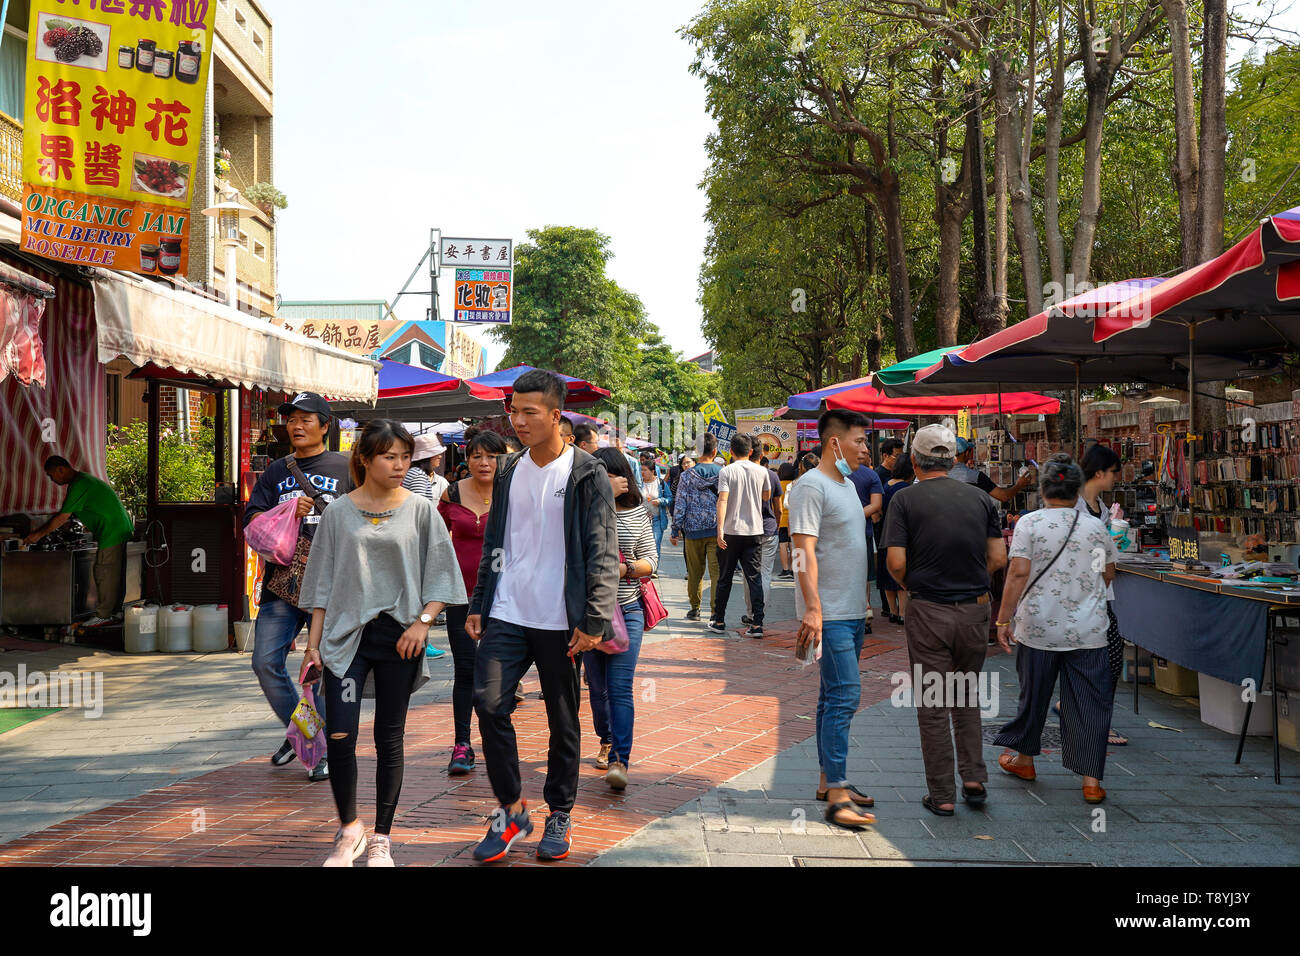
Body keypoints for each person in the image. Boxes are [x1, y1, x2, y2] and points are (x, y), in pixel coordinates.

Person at [467, 369, 619, 863]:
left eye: (529, 411)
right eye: (514, 410)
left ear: (557, 416)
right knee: (488, 702)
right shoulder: (510, 469)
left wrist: (594, 619)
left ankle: (559, 812)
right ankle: (511, 809)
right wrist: (480, 602)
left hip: (561, 618)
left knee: (562, 720)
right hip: (509, 611)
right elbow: (496, 543)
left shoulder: (586, 472)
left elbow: (601, 549)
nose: (518, 419)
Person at [299, 419, 466, 866]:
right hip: (345, 638)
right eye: (390, 456)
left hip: (400, 638)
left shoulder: (421, 510)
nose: (399, 465)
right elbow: (319, 585)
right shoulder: (337, 512)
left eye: (405, 456)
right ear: (365, 459)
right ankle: (349, 829)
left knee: (389, 737)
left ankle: (382, 838)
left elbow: (443, 576)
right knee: (340, 734)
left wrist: (423, 623)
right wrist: (312, 646)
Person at [882, 424, 1006, 816]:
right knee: (966, 694)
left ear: (915, 461)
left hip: (928, 609)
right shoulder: (982, 500)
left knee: (934, 701)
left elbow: (896, 563)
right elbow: (999, 558)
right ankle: (973, 778)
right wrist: (972, 582)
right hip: (975, 608)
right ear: (954, 461)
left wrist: (915, 586)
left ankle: (943, 794)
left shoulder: (904, 500)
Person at [993, 454, 1119, 805]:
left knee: (1033, 696)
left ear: (1042, 488)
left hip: (1038, 628)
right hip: (1089, 631)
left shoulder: (1030, 524)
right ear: (1076, 488)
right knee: (1090, 704)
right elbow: (1108, 573)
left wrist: (1003, 620)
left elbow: (1017, 573)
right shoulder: (1094, 526)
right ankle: (1091, 781)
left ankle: (1025, 760)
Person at [243, 391, 351, 781]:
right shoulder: (275, 471)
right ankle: (307, 734)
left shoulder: (347, 466)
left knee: (324, 668)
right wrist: (286, 508)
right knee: (265, 662)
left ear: (325, 426)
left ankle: (304, 739)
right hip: (283, 583)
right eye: (292, 419)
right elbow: (252, 520)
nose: (297, 425)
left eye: (307, 419)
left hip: (333, 582)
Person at [789, 410, 876, 830]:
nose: (866, 448)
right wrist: (812, 608)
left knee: (831, 697)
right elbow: (801, 550)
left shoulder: (846, 485)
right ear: (834, 443)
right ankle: (838, 793)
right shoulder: (810, 486)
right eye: (860, 440)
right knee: (845, 694)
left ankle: (829, 780)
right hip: (830, 613)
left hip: (852, 611)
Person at [585, 449, 657, 790]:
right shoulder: (583, 511)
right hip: (589, 614)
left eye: (615, 474)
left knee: (619, 688)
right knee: (596, 689)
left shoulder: (638, 514)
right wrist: (602, 498)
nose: (614, 480)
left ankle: (619, 760)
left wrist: (626, 569)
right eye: (603, 475)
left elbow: (651, 562)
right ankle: (606, 739)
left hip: (627, 609)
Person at [438, 427, 509, 776]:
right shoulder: (451, 494)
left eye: (492, 456)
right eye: (477, 456)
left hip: (506, 597)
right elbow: (434, 540)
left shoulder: (514, 492)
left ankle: (496, 741)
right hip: (461, 597)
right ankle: (462, 744)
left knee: (496, 674)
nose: (484, 462)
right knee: (465, 669)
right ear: (467, 460)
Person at [1066, 443, 1128, 747]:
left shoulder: (1102, 509)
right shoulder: (1073, 507)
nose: (1117, 477)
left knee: (1106, 660)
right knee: (1105, 660)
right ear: (1100, 472)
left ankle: (1085, 714)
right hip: (1082, 597)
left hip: (1099, 597)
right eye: (1114, 472)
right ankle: (1095, 722)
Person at [27, 456, 134, 627]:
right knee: (114, 573)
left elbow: (63, 516)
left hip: (111, 530)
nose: (52, 479)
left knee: (104, 571)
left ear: (61, 469)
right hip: (119, 527)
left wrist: (37, 535)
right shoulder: (84, 480)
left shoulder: (79, 484)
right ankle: (115, 612)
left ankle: (104, 615)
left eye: (51, 475)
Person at [708, 433, 770, 638]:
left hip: (731, 531)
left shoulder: (726, 471)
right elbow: (766, 496)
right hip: (754, 531)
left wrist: (719, 531)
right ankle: (757, 624)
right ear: (751, 451)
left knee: (725, 577)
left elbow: (722, 500)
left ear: (731, 451)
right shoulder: (762, 471)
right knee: (754, 578)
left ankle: (718, 620)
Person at [670, 434, 724, 623]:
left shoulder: (686, 476)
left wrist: (675, 529)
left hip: (692, 531)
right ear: (715, 451)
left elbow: (680, 503)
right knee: (717, 573)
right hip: (717, 531)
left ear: (697, 452)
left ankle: (695, 608)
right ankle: (716, 611)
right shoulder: (723, 473)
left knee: (695, 572)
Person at [742, 447, 781, 627]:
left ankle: (751, 613)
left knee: (748, 575)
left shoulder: (742, 474)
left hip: (748, 530)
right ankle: (760, 613)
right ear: (762, 455)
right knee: (765, 574)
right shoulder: (772, 476)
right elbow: (778, 507)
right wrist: (776, 525)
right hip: (769, 529)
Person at [878, 454, 914, 624]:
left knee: (887, 574)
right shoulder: (905, 489)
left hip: (884, 533)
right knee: (900, 573)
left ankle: (892, 611)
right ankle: (902, 613)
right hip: (901, 535)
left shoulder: (886, 485)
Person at [950, 437, 1035, 502]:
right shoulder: (976, 477)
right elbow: (1003, 496)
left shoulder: (942, 474)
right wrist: (1019, 485)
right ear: (967, 453)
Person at [872, 438, 904, 608]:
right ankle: (888, 606)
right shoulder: (878, 475)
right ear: (885, 455)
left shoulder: (901, 476)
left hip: (895, 528)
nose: (899, 460)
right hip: (883, 528)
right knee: (885, 566)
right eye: (896, 456)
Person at [405, 434, 449, 502]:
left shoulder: (415, 472)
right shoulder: (418, 475)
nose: (440, 457)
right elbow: (419, 508)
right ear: (426, 457)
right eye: (436, 454)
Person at [641, 461, 671, 556]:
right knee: (642, 547)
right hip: (641, 520)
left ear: (652, 471)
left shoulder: (660, 483)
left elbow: (670, 499)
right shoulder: (638, 484)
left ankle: (654, 569)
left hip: (657, 519)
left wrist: (660, 501)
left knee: (655, 546)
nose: (642, 472)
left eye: (645, 470)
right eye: (641, 470)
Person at [776, 461, 796, 579]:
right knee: (793, 544)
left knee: (783, 545)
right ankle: (794, 570)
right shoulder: (795, 484)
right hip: (794, 519)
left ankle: (785, 570)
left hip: (782, 520)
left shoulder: (778, 484)